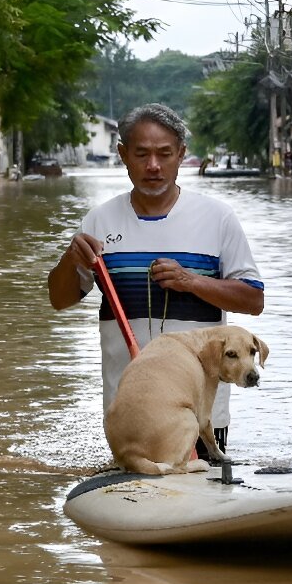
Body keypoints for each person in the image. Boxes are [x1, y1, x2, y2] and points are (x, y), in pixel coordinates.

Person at [48, 103, 264, 458]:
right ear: (122, 155)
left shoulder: (218, 219)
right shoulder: (99, 221)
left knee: (198, 500)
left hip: (197, 414)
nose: (153, 166)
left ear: (181, 154)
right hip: (128, 412)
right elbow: (59, 300)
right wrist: (69, 259)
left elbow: (253, 300)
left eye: (164, 154)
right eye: (142, 154)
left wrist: (190, 281)